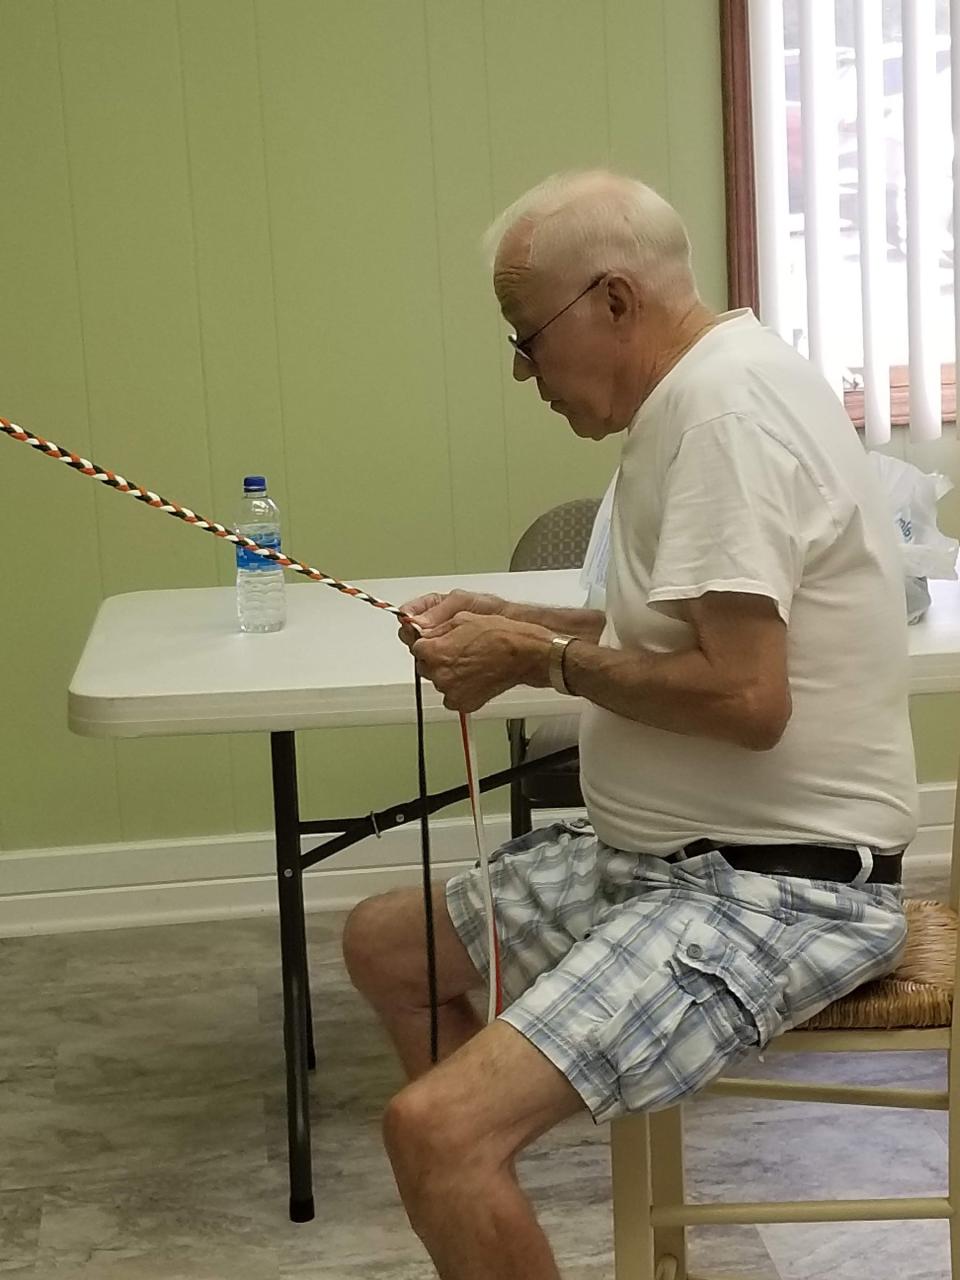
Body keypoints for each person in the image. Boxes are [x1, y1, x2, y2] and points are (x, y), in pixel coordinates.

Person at [342, 170, 917, 1280]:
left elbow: (747, 700)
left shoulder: (724, 416)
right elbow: (676, 623)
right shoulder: (700, 392)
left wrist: (538, 658)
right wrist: (521, 619)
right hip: (669, 860)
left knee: (433, 1131)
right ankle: (488, 1175)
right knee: (386, 944)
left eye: (526, 337)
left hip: (779, 888)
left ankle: (470, 1154)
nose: (523, 371)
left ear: (613, 300)